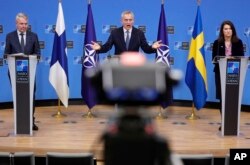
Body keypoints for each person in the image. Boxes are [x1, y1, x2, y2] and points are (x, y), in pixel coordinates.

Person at [4, 12, 40, 131]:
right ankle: (20, 122)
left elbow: (38, 54)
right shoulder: (10, 36)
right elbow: (6, 54)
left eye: (26, 24)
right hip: (15, 74)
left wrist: (33, 59)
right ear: (16, 24)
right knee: (19, 96)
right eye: (21, 24)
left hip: (30, 72)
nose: (24, 26)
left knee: (31, 96)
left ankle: (31, 121)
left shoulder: (33, 36)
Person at [212, 20, 244, 131]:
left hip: (234, 73)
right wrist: (224, 59)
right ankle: (224, 122)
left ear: (233, 30)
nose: (228, 31)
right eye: (225, 29)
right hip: (220, 73)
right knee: (223, 98)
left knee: (233, 98)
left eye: (230, 28)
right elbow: (214, 59)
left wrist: (232, 59)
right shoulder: (217, 43)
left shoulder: (238, 42)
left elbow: (241, 57)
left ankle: (233, 122)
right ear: (222, 31)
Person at [91, 10, 162, 55]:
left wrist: (152, 47)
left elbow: (146, 48)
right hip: (119, 65)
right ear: (121, 21)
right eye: (126, 20)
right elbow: (107, 47)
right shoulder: (115, 32)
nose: (128, 22)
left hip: (134, 65)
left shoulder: (139, 33)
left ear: (133, 21)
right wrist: (99, 47)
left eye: (130, 20)